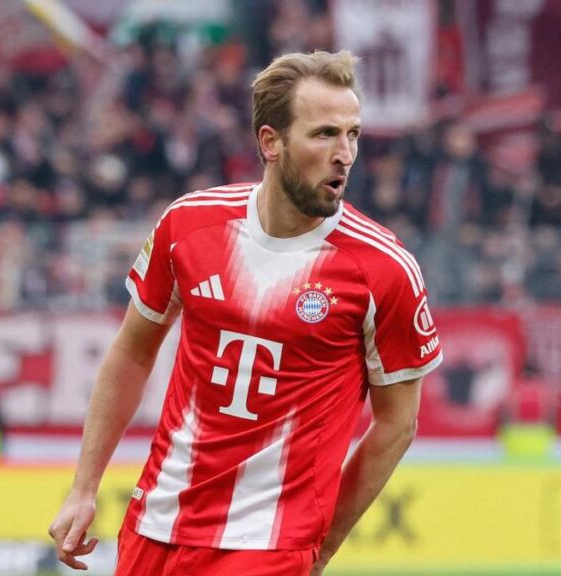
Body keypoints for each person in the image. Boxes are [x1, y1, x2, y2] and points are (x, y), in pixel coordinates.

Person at [48, 50, 443, 575]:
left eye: (353, 134)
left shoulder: (383, 268)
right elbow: (132, 353)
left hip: (269, 547)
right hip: (156, 524)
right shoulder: (188, 225)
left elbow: (397, 423)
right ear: (270, 142)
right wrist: (83, 488)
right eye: (325, 134)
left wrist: (321, 546)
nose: (345, 154)